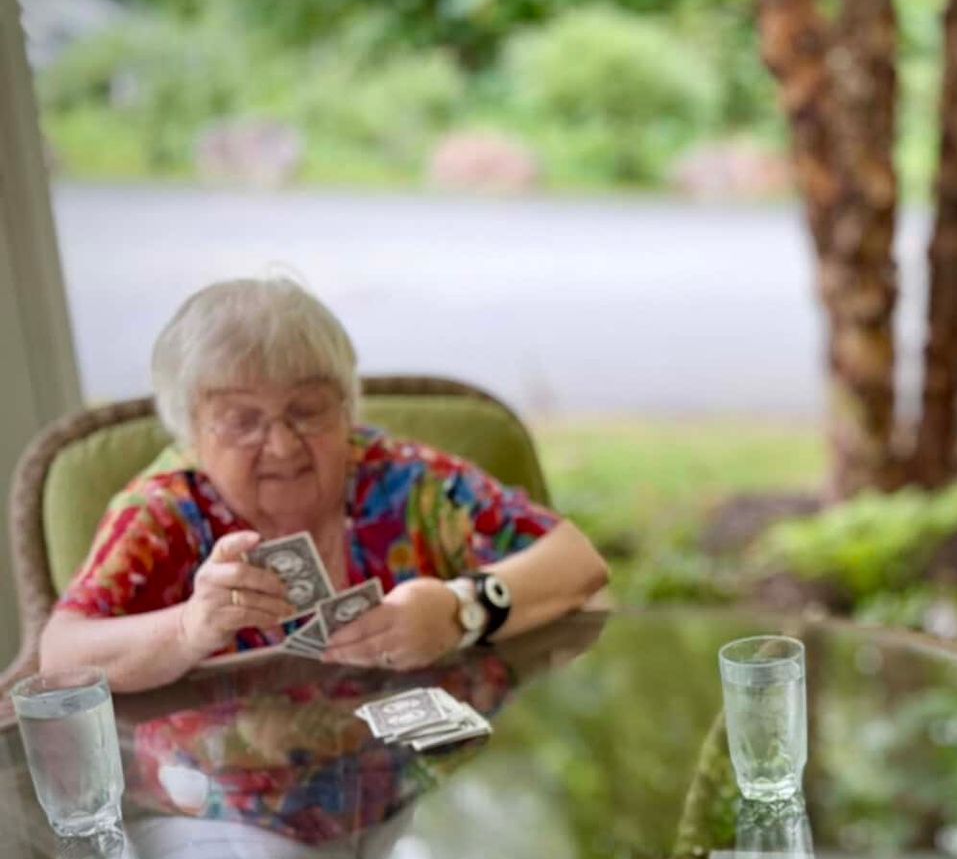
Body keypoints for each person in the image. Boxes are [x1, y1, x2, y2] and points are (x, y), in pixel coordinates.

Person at [38, 277, 608, 693]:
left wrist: (461, 609)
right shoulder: (165, 510)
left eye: (308, 410)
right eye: (243, 421)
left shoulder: (401, 480)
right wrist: (192, 627)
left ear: (347, 406)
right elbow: (60, 657)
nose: (282, 445)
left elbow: (576, 559)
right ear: (190, 430)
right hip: (228, 808)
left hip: (418, 780)